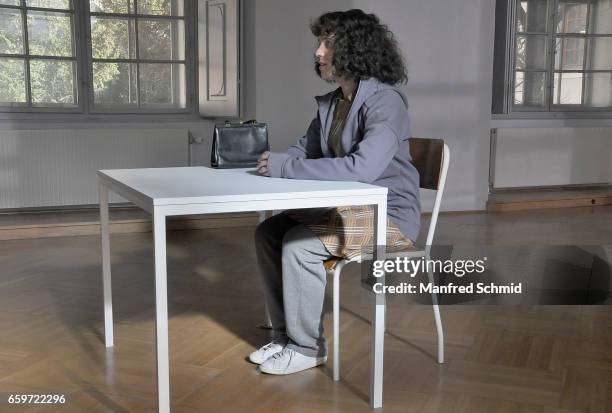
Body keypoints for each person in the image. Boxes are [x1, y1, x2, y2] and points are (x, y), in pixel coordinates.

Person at [250, 9, 421, 375]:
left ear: (354, 49)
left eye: (327, 43)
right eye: (319, 43)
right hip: (347, 211)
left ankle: (307, 347)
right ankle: (284, 336)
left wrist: (285, 167)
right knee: (269, 232)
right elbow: (302, 150)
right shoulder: (331, 103)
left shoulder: (386, 102)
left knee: (298, 244)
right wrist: (275, 163)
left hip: (389, 220)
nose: (318, 52)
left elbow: (362, 168)